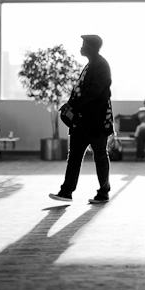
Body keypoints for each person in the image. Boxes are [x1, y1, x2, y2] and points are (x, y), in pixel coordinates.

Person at [49, 34, 114, 204]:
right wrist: (72, 106)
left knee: (100, 156)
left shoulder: (101, 65)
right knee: (74, 157)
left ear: (91, 48)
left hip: (96, 122)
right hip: (82, 121)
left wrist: (73, 105)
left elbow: (94, 92)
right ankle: (66, 192)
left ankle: (103, 192)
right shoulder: (90, 65)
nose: (81, 47)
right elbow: (84, 92)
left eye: (84, 44)